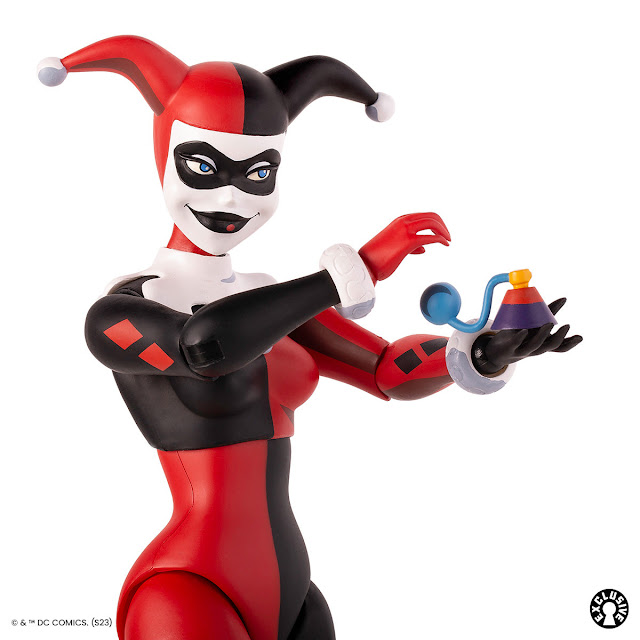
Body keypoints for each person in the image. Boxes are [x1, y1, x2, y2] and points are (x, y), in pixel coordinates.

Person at [38, 35, 581, 640]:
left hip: (293, 594)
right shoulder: (121, 314)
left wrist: (481, 351)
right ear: (163, 156)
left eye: (259, 173)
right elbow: (204, 348)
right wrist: (346, 275)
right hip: (187, 590)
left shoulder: (268, 299)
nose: (231, 197)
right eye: (203, 167)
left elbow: (386, 370)